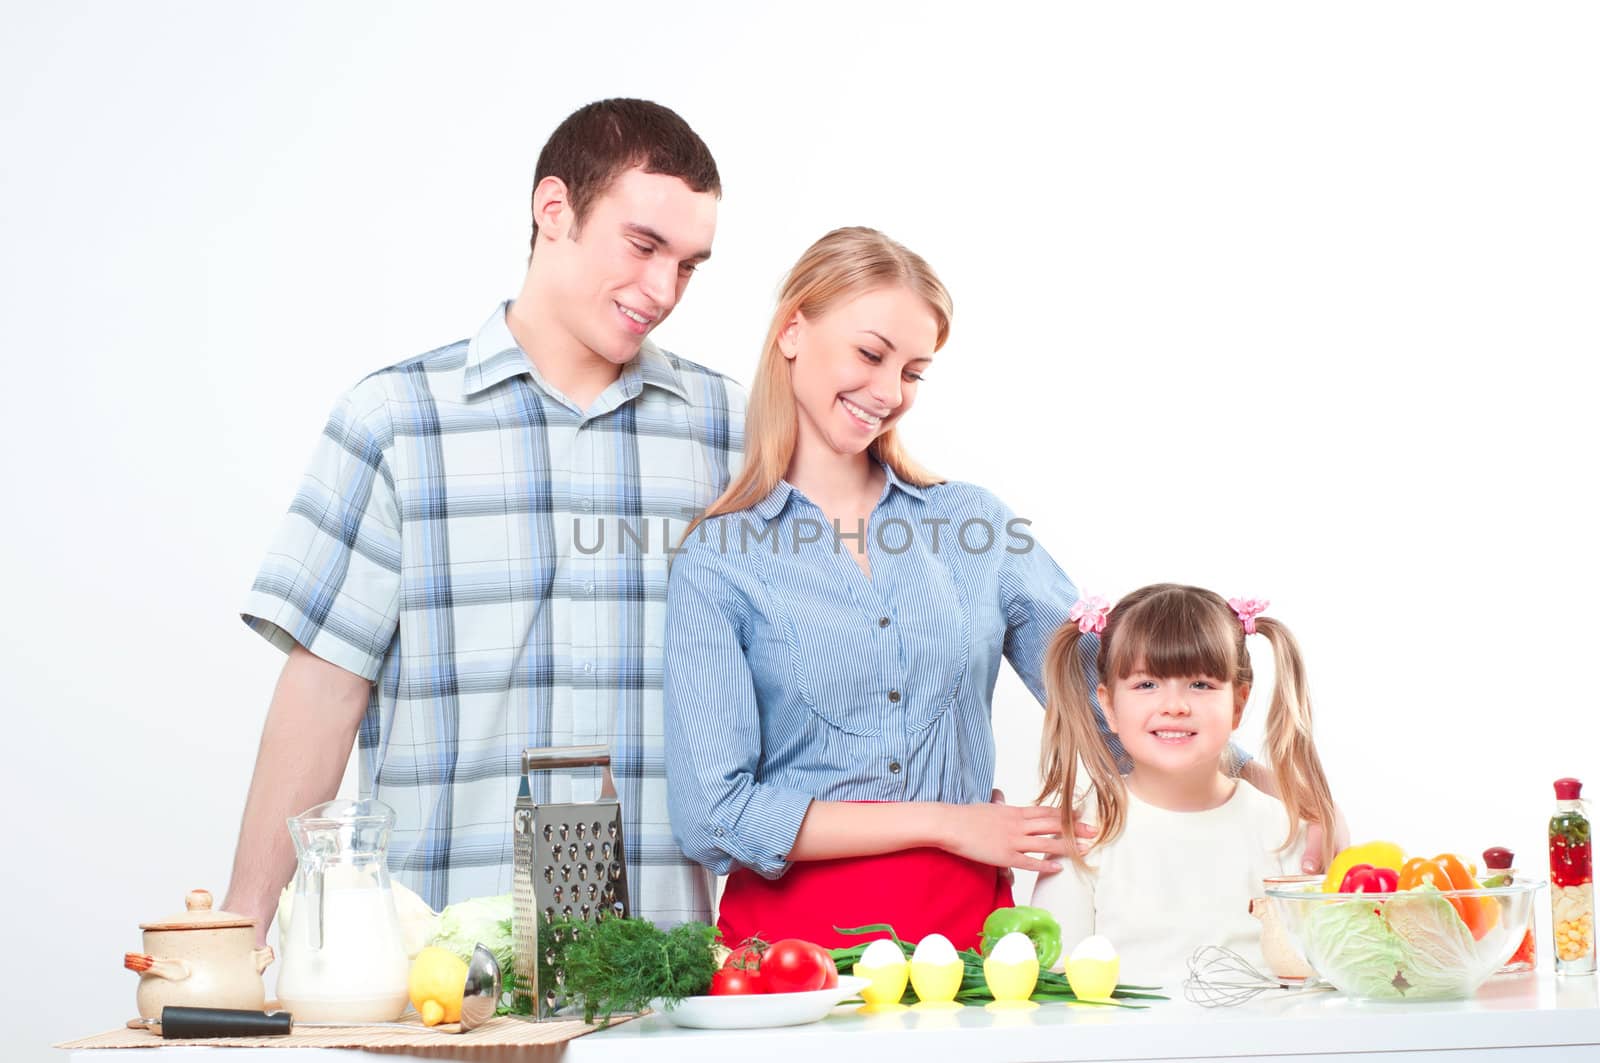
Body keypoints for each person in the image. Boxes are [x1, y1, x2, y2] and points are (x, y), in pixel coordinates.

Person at [223, 99, 746, 936]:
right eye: (644, 246)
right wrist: (242, 929)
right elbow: (324, 689)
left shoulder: (729, 428)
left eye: (688, 265)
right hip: (439, 963)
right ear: (554, 210)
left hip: (661, 965)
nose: (663, 289)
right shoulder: (396, 419)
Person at [661, 228, 1254, 951]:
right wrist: (949, 820)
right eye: (871, 354)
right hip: (788, 955)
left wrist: (1277, 788)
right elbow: (714, 814)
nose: (889, 392)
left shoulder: (974, 525)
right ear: (792, 331)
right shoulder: (720, 558)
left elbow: (1121, 699)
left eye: (913, 370)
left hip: (967, 939)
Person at [1030, 584, 1338, 983]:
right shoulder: (1084, 830)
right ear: (1108, 706)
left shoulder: (1280, 829)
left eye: (1200, 685)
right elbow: (1052, 976)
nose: (1175, 705)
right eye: (1146, 685)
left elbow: (1318, 969)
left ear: (1238, 705)